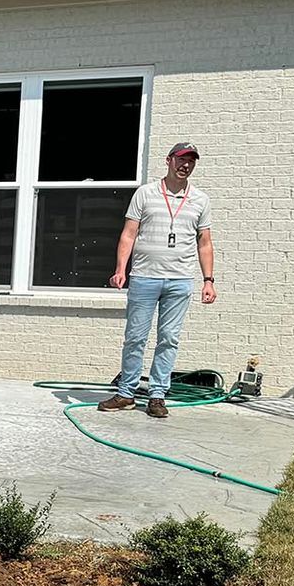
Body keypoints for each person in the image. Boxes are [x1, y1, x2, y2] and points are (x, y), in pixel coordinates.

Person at [100, 141, 216, 419]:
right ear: (169, 160)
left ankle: (157, 395)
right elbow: (128, 233)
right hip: (144, 277)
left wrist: (208, 280)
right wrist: (121, 269)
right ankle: (126, 393)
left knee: (169, 338)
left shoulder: (200, 199)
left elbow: (205, 242)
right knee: (135, 337)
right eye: (181, 159)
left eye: (191, 161)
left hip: (179, 280)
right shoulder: (146, 193)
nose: (185, 165)